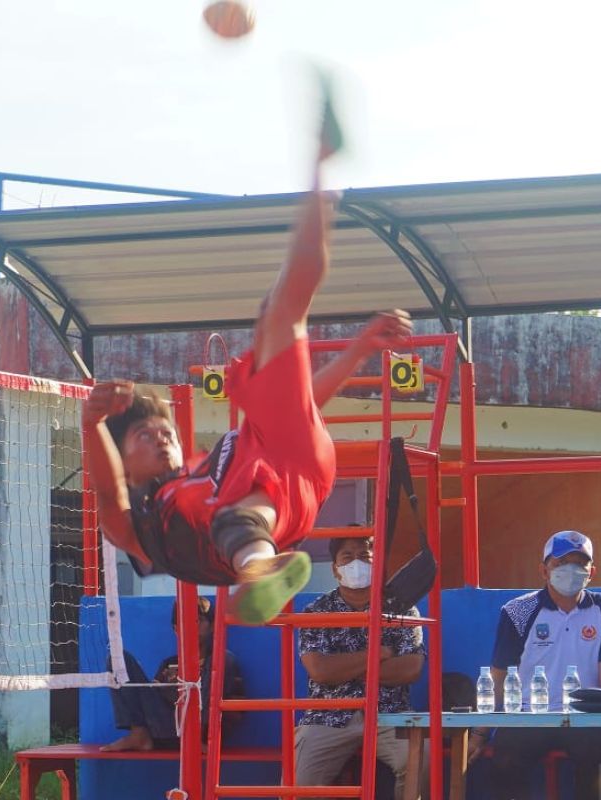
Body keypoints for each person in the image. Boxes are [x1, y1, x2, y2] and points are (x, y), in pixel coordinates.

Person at [82, 141, 412, 624]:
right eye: (143, 435)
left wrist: (360, 347)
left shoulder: (214, 464)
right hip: (257, 521)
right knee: (229, 513)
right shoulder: (139, 527)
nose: (163, 435)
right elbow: (108, 493)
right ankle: (257, 568)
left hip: (295, 466)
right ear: (122, 459)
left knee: (281, 310)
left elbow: (302, 408)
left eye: (165, 430)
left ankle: (320, 180)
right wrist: (91, 423)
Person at [468, 530, 601, 800]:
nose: (571, 570)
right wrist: (479, 734)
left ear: (592, 572)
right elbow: (497, 677)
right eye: (561, 563)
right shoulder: (518, 610)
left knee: (599, 764)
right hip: (528, 717)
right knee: (505, 761)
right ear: (544, 571)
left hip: (584, 719)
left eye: (580, 564)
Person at [295, 536, 426, 798]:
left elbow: (411, 668)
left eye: (365, 556)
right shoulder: (316, 612)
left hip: (390, 712)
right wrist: (378, 655)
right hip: (328, 716)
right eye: (347, 557)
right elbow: (320, 671)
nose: (356, 563)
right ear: (334, 568)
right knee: (299, 781)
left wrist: (345, 668)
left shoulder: (402, 609)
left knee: (421, 760)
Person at [102, 596, 246, 752]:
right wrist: (170, 688)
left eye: (198, 621)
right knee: (117, 659)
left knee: (222, 658)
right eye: (184, 622)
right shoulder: (169, 663)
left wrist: (183, 689)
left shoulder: (222, 660)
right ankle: (139, 735)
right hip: (169, 732)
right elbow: (153, 703)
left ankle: (196, 738)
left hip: (206, 735)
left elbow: (230, 708)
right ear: (176, 629)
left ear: (211, 626)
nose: (192, 626)